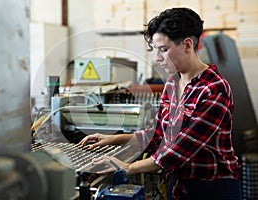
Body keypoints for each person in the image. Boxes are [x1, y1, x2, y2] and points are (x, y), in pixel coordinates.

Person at [79, 7, 241, 200]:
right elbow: (158, 134)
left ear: (187, 45)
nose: (157, 58)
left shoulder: (214, 89)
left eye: (163, 50)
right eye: (156, 50)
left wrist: (127, 167)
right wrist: (113, 139)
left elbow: (180, 149)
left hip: (212, 188)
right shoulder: (172, 83)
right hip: (179, 184)